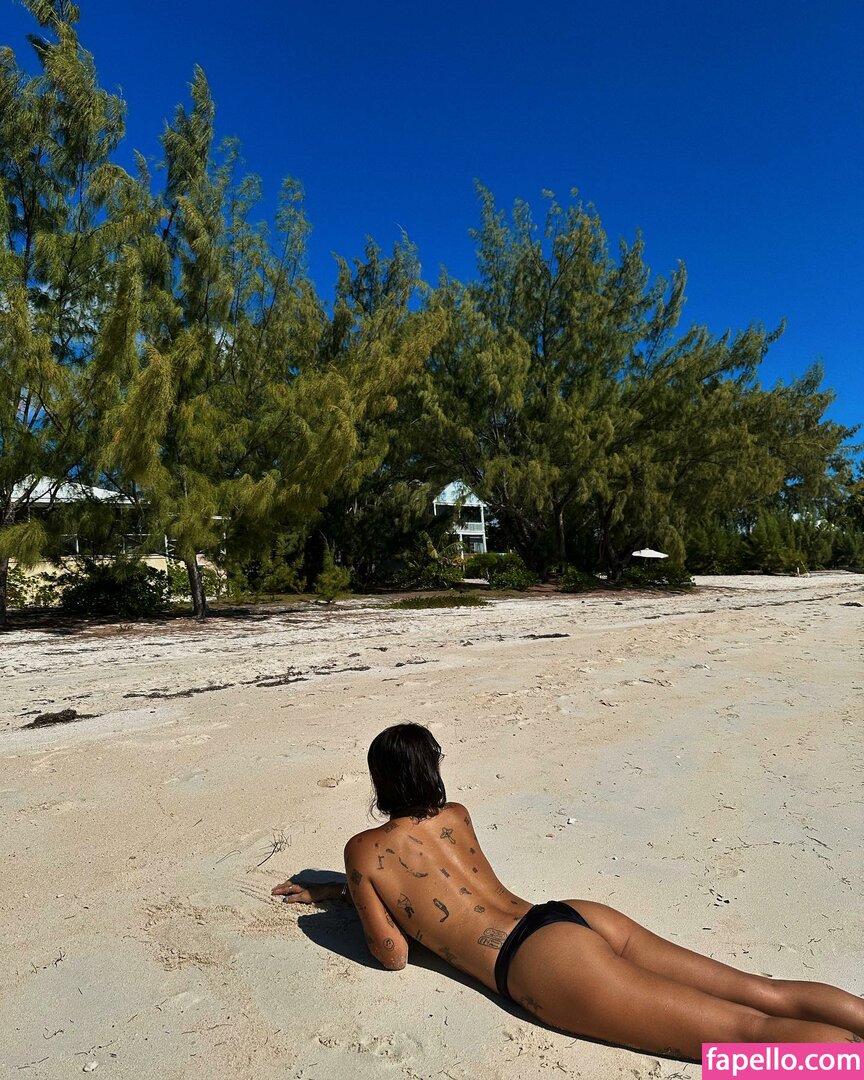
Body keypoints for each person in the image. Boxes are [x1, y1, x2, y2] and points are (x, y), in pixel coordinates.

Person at [273, 723, 863, 1061]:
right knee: (763, 993)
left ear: (377, 780)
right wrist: (349, 891)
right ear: (433, 769)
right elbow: (439, 881)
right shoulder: (456, 814)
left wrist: (357, 893)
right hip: (571, 915)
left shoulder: (363, 851)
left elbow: (394, 954)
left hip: (535, 962)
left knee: (740, 1041)